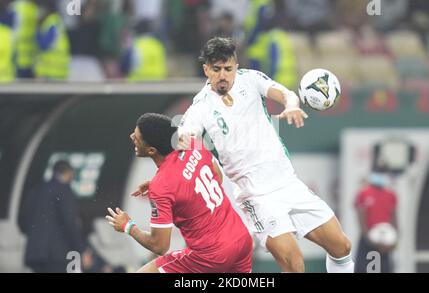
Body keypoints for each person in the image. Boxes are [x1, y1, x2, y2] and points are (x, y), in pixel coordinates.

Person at [135, 37, 354, 273]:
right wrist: (166, 174)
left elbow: (286, 94)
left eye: (228, 69)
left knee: (341, 247)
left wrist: (291, 105)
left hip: (288, 182)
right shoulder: (199, 109)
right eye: (216, 69)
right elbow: (184, 143)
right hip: (256, 196)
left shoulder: (251, 79)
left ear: (236, 66)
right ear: (206, 69)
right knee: (294, 262)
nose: (223, 75)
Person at [106, 113, 252, 273]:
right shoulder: (193, 144)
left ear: (152, 150)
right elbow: (217, 177)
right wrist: (180, 186)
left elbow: (159, 246)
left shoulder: (162, 186)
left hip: (210, 255)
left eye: (137, 136)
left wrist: (128, 226)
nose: (132, 136)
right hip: (241, 239)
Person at [22, 160, 87, 273]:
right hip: (56, 254)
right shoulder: (64, 190)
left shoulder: (36, 190)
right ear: (69, 172)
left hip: (35, 253)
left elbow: (23, 220)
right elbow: (69, 223)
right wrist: (81, 250)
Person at [354, 171, 398, 273]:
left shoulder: (391, 195)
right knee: (363, 269)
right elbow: (361, 217)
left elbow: (394, 217)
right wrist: (369, 239)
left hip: (386, 241)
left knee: (385, 269)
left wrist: (394, 239)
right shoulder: (364, 193)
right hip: (368, 239)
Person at [34, 0, 70, 80]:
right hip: (57, 72)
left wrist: (37, 29)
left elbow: (43, 45)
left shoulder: (51, 23)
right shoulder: (56, 21)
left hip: (51, 73)